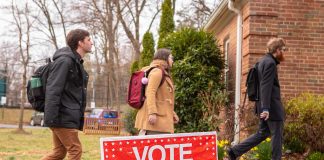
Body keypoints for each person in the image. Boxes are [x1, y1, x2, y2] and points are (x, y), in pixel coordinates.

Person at [228, 38, 286, 160]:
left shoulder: (261, 61)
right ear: (277, 50)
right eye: (283, 50)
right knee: (277, 135)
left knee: (262, 133)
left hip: (262, 106)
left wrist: (263, 107)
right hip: (271, 108)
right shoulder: (270, 63)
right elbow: (265, 86)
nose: (283, 53)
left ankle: (234, 151)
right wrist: (266, 109)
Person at [42, 29, 92, 160]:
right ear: (80, 43)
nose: (91, 43)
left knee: (59, 152)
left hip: (65, 115)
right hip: (62, 116)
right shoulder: (65, 61)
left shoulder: (75, 63)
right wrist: (52, 117)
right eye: (89, 40)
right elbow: (53, 89)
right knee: (75, 150)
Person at [135, 48, 179, 135]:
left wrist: (172, 114)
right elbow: (150, 92)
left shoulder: (160, 71)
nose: (172, 60)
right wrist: (152, 113)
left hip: (160, 120)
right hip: (155, 122)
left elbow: (162, 98)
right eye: (171, 57)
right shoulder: (157, 72)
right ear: (164, 58)